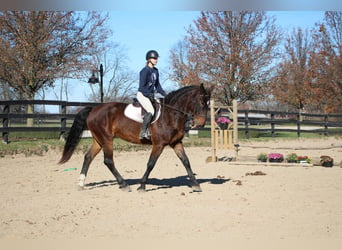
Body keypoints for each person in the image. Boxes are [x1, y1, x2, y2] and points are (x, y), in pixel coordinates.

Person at [137, 50, 166, 140]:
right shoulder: (144, 71)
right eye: (154, 58)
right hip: (142, 94)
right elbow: (142, 87)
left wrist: (164, 94)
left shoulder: (156, 71)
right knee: (151, 111)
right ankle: (143, 132)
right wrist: (148, 95)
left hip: (150, 95)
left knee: (161, 107)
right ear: (149, 59)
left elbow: (157, 85)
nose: (156, 60)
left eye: (156, 58)